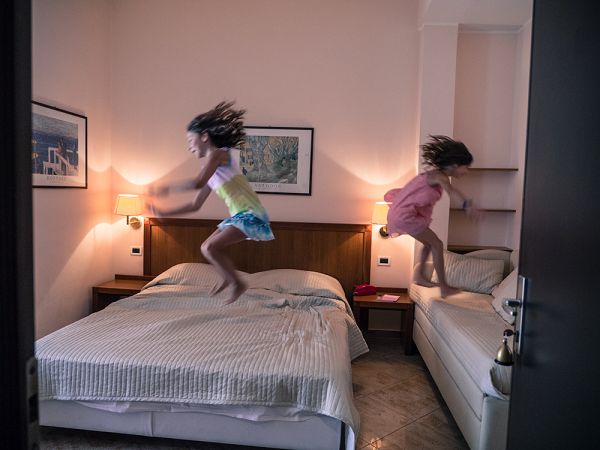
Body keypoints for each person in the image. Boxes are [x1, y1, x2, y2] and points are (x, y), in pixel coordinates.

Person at [147, 101, 274, 304]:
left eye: (191, 140)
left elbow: (197, 183)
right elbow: (196, 204)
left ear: (204, 136)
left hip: (251, 214)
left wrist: (167, 188)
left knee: (210, 248)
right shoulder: (212, 170)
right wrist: (165, 212)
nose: (189, 147)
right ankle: (228, 278)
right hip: (239, 215)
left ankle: (237, 283)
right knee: (206, 246)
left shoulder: (219, 154)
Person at [384, 135, 480, 298]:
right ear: (455, 165)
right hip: (405, 215)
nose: (467, 171)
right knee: (437, 244)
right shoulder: (439, 176)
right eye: (466, 167)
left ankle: (421, 277)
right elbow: (451, 191)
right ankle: (444, 287)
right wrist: (467, 205)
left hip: (402, 214)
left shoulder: (434, 175)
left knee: (429, 244)